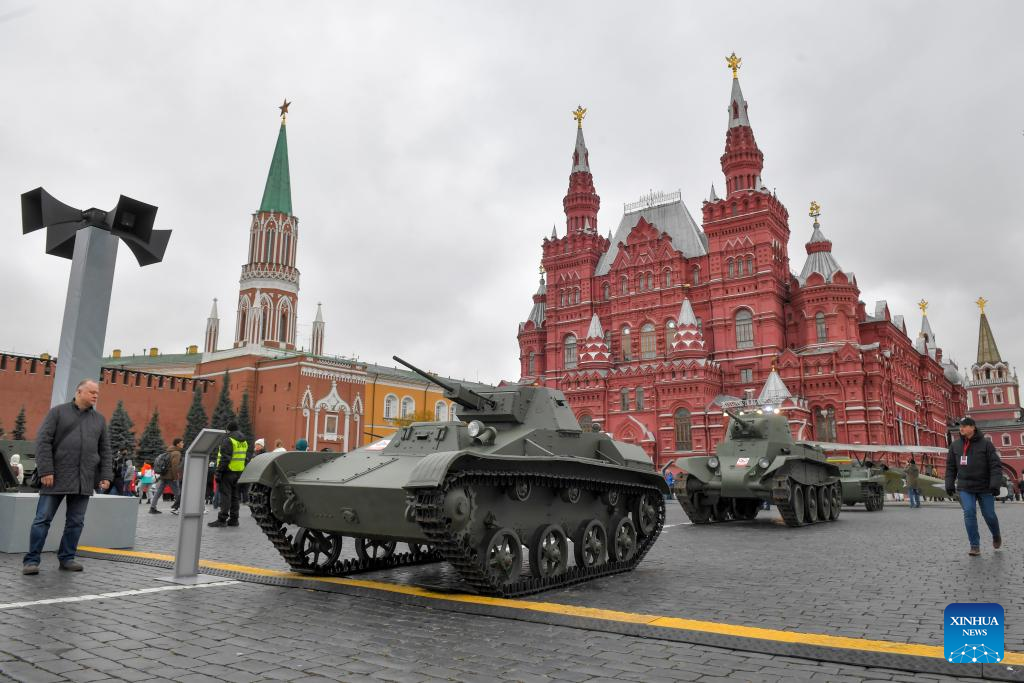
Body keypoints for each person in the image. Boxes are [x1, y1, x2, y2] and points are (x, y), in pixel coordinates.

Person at [23, 379, 112, 575]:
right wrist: (46, 470)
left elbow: (105, 450)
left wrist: (105, 475)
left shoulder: (99, 420)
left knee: (76, 522)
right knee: (42, 519)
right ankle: (31, 560)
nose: (96, 396)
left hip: (84, 479)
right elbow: (43, 442)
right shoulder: (58, 412)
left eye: (97, 393)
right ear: (79, 392)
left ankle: (67, 558)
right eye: (92, 392)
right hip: (54, 477)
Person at [945, 416, 1003, 556]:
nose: (961, 429)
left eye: (964, 426)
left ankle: (996, 534)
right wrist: (949, 483)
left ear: (973, 427)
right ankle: (974, 545)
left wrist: (995, 484)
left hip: (985, 486)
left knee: (989, 515)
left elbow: (995, 466)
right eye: (960, 427)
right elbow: (951, 467)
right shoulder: (955, 445)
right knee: (969, 513)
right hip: (965, 487)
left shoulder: (986, 444)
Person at [208, 421, 248, 528]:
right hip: (239, 472)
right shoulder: (244, 441)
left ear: (228, 430)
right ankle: (234, 519)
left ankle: (222, 519)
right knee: (235, 497)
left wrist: (219, 472)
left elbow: (225, 459)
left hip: (227, 472)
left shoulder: (228, 440)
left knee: (225, 496)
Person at [150, 438, 183, 515]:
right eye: (182, 443)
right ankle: (176, 509)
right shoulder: (177, 453)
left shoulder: (169, 451)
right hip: (171, 476)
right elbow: (175, 466)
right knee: (178, 492)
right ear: (177, 444)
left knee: (158, 492)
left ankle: (152, 507)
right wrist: (175, 477)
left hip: (163, 475)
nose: (183, 444)